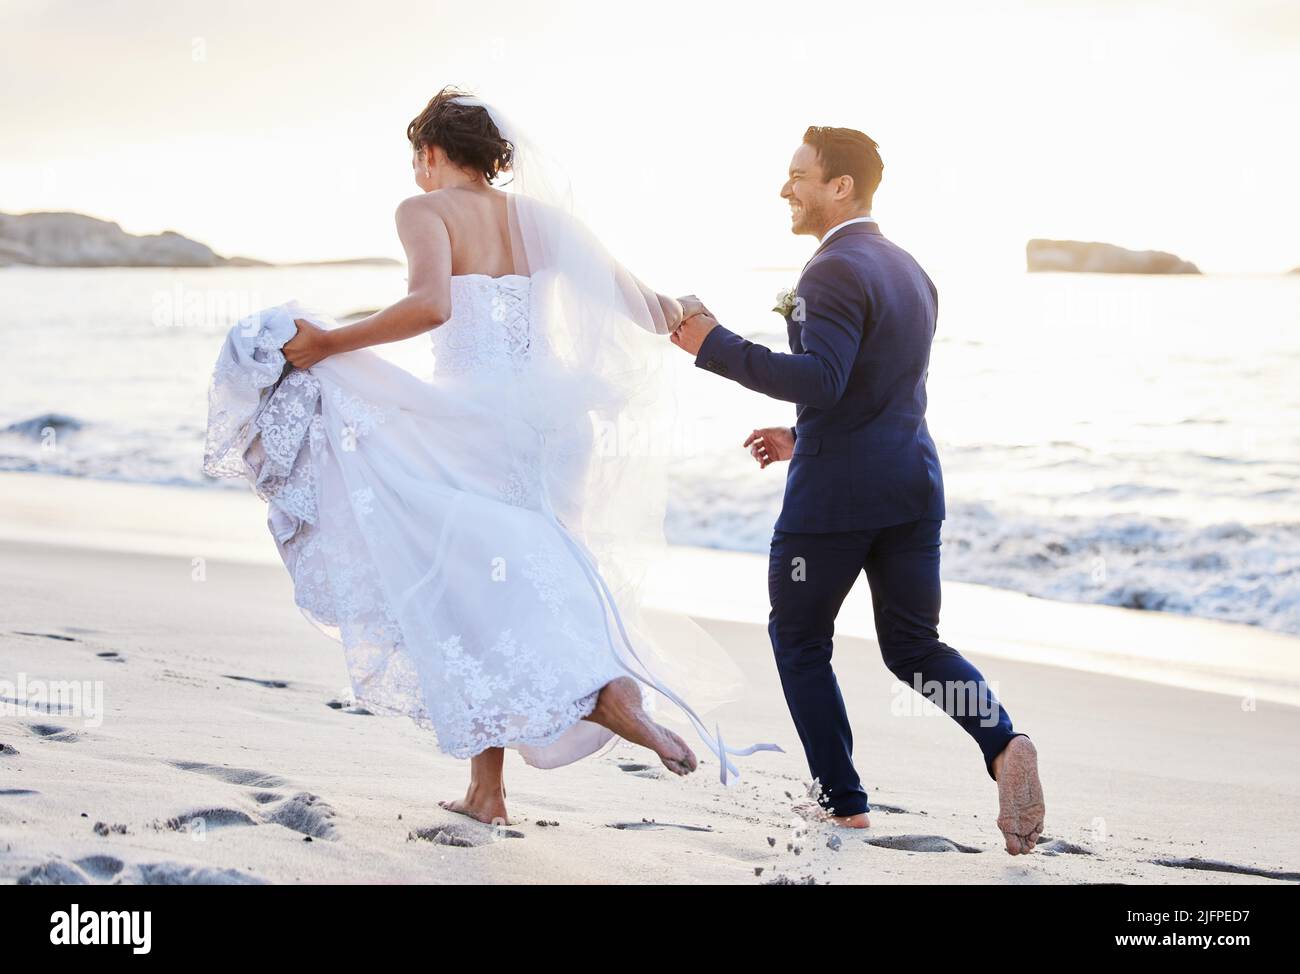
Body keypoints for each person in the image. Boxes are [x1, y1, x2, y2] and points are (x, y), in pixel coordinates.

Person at [203, 87, 775, 827]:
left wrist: (328, 344)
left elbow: (430, 307)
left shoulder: (424, 211)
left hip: (472, 422)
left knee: (464, 591)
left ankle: (604, 692)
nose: (417, 174)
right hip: (555, 425)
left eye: (419, 159)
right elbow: (651, 308)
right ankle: (490, 787)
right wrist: (703, 316)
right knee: (512, 578)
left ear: (433, 154)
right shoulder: (543, 221)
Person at [668, 125, 1046, 854]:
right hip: (911, 485)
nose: (786, 188)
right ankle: (1003, 742)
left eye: (798, 175)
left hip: (836, 503)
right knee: (913, 645)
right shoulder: (910, 269)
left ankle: (843, 804)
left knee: (799, 638)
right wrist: (801, 434)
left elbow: (824, 378)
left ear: (840, 186)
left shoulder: (830, 271)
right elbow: (876, 388)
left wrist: (710, 342)